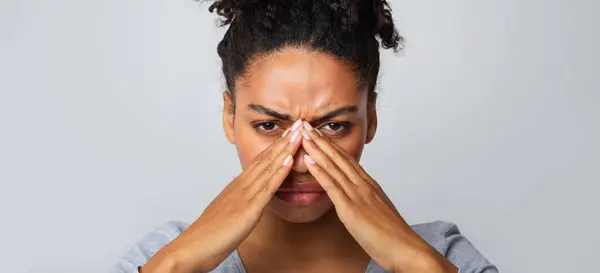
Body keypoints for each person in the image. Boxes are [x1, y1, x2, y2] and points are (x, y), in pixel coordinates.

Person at [111, 0, 498, 272]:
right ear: (229, 115)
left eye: (333, 126)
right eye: (268, 126)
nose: (299, 160)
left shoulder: (444, 256)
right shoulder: (160, 257)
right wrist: (177, 266)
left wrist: (417, 264)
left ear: (371, 118)